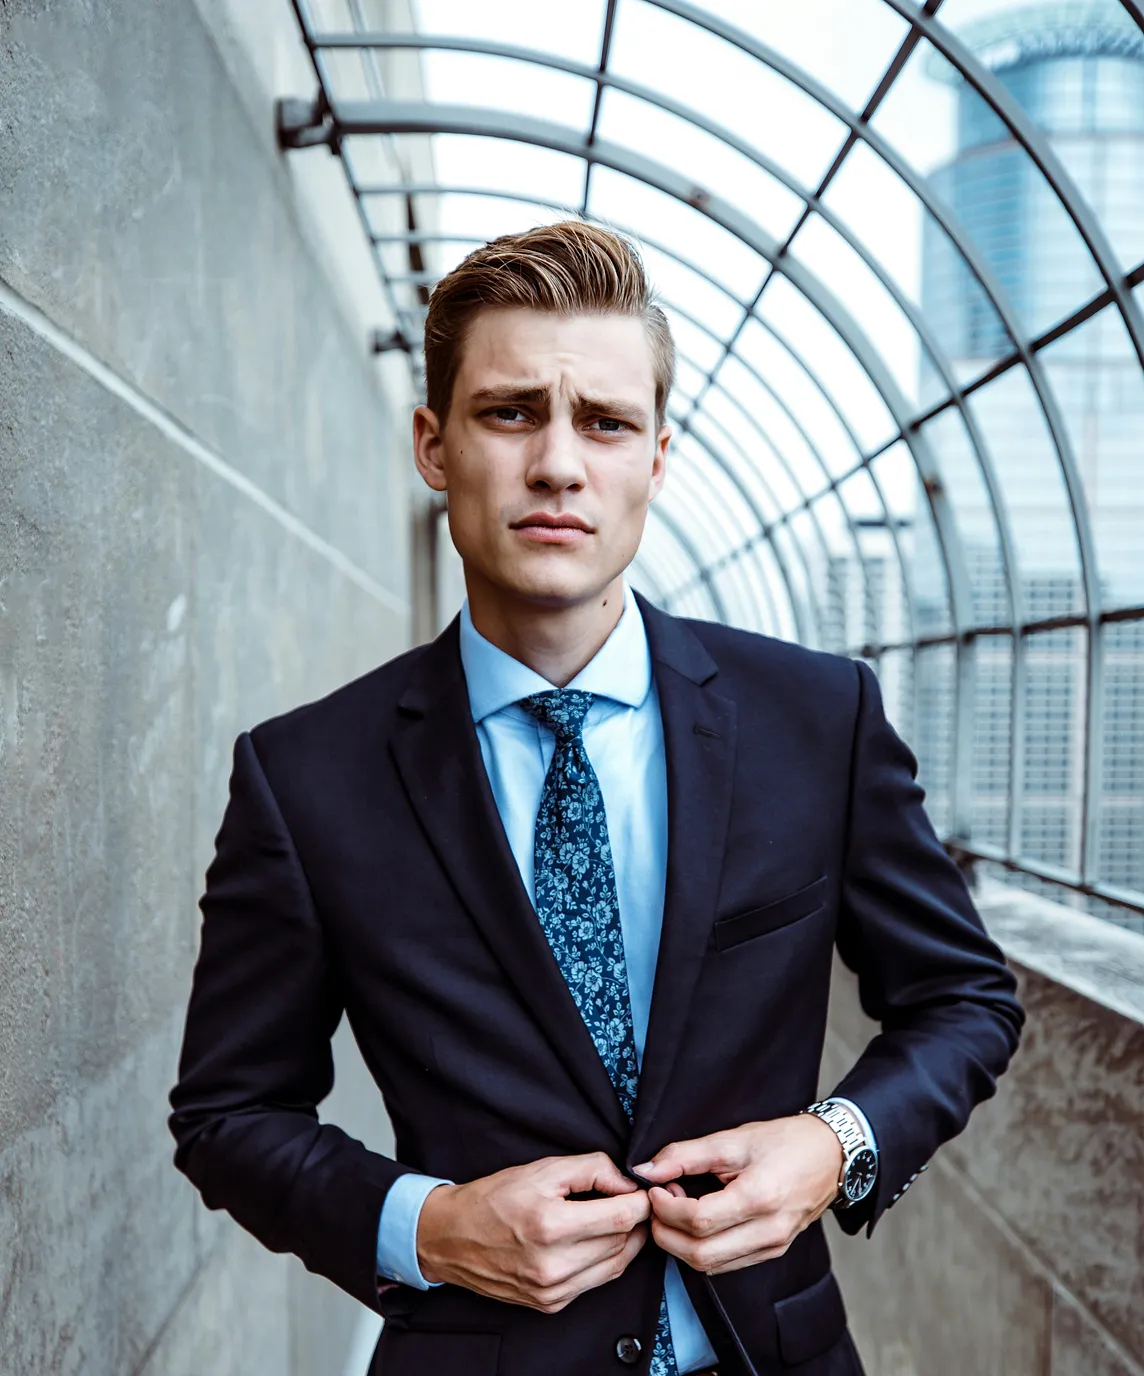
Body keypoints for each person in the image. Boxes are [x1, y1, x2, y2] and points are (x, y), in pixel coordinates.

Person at [169, 222, 1023, 1376]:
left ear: (656, 457)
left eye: (606, 422)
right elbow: (228, 1112)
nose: (560, 464)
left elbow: (965, 995)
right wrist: (424, 1225)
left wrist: (831, 1147)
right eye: (511, 410)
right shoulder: (305, 774)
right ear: (433, 443)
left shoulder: (817, 719)